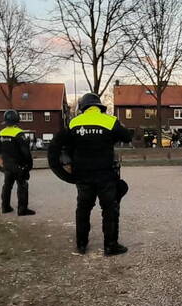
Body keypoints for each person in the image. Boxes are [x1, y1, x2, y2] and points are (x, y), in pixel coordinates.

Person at [48, 93, 132, 255]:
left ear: (83, 108)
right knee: (109, 209)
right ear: (99, 107)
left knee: (83, 209)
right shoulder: (109, 121)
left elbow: (55, 146)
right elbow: (127, 136)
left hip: (82, 176)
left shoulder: (74, 123)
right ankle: (110, 245)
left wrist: (62, 172)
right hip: (106, 176)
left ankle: (81, 244)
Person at [0, 110, 35, 215]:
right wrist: (29, 164)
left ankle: (5, 207)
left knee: (7, 186)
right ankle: (22, 209)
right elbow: (25, 152)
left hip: (7, 165)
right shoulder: (19, 133)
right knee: (22, 186)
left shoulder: (0, 133)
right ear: (17, 120)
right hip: (19, 165)